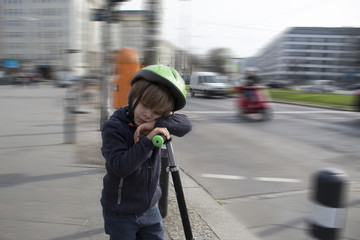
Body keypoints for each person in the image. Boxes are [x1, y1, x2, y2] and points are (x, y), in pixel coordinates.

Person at [101, 65, 192, 240]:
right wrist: (148, 141)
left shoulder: (154, 123)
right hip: (121, 212)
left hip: (150, 208)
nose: (148, 114)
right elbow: (121, 166)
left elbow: (186, 124)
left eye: (157, 112)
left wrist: (155, 124)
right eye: (145, 105)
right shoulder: (114, 127)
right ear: (133, 97)